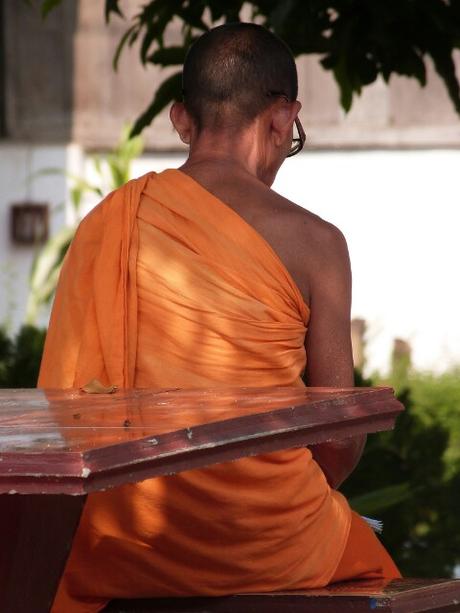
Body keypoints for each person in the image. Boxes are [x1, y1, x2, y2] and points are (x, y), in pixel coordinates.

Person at [39, 22, 400, 613]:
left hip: (120, 541)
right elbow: (338, 441)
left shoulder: (108, 225)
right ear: (284, 118)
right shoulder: (316, 243)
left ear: (181, 119)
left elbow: (65, 408)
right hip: (267, 542)